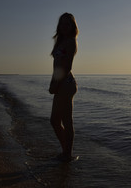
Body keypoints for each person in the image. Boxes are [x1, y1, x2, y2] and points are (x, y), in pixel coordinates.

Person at [49, 13, 78, 162]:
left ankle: (67, 154)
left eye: (68, 23)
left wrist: (56, 84)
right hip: (60, 83)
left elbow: (66, 67)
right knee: (54, 120)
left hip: (65, 84)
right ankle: (66, 151)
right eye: (62, 23)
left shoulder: (71, 42)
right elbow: (57, 66)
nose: (65, 26)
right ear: (59, 26)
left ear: (73, 26)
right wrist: (52, 82)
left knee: (66, 121)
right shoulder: (60, 41)